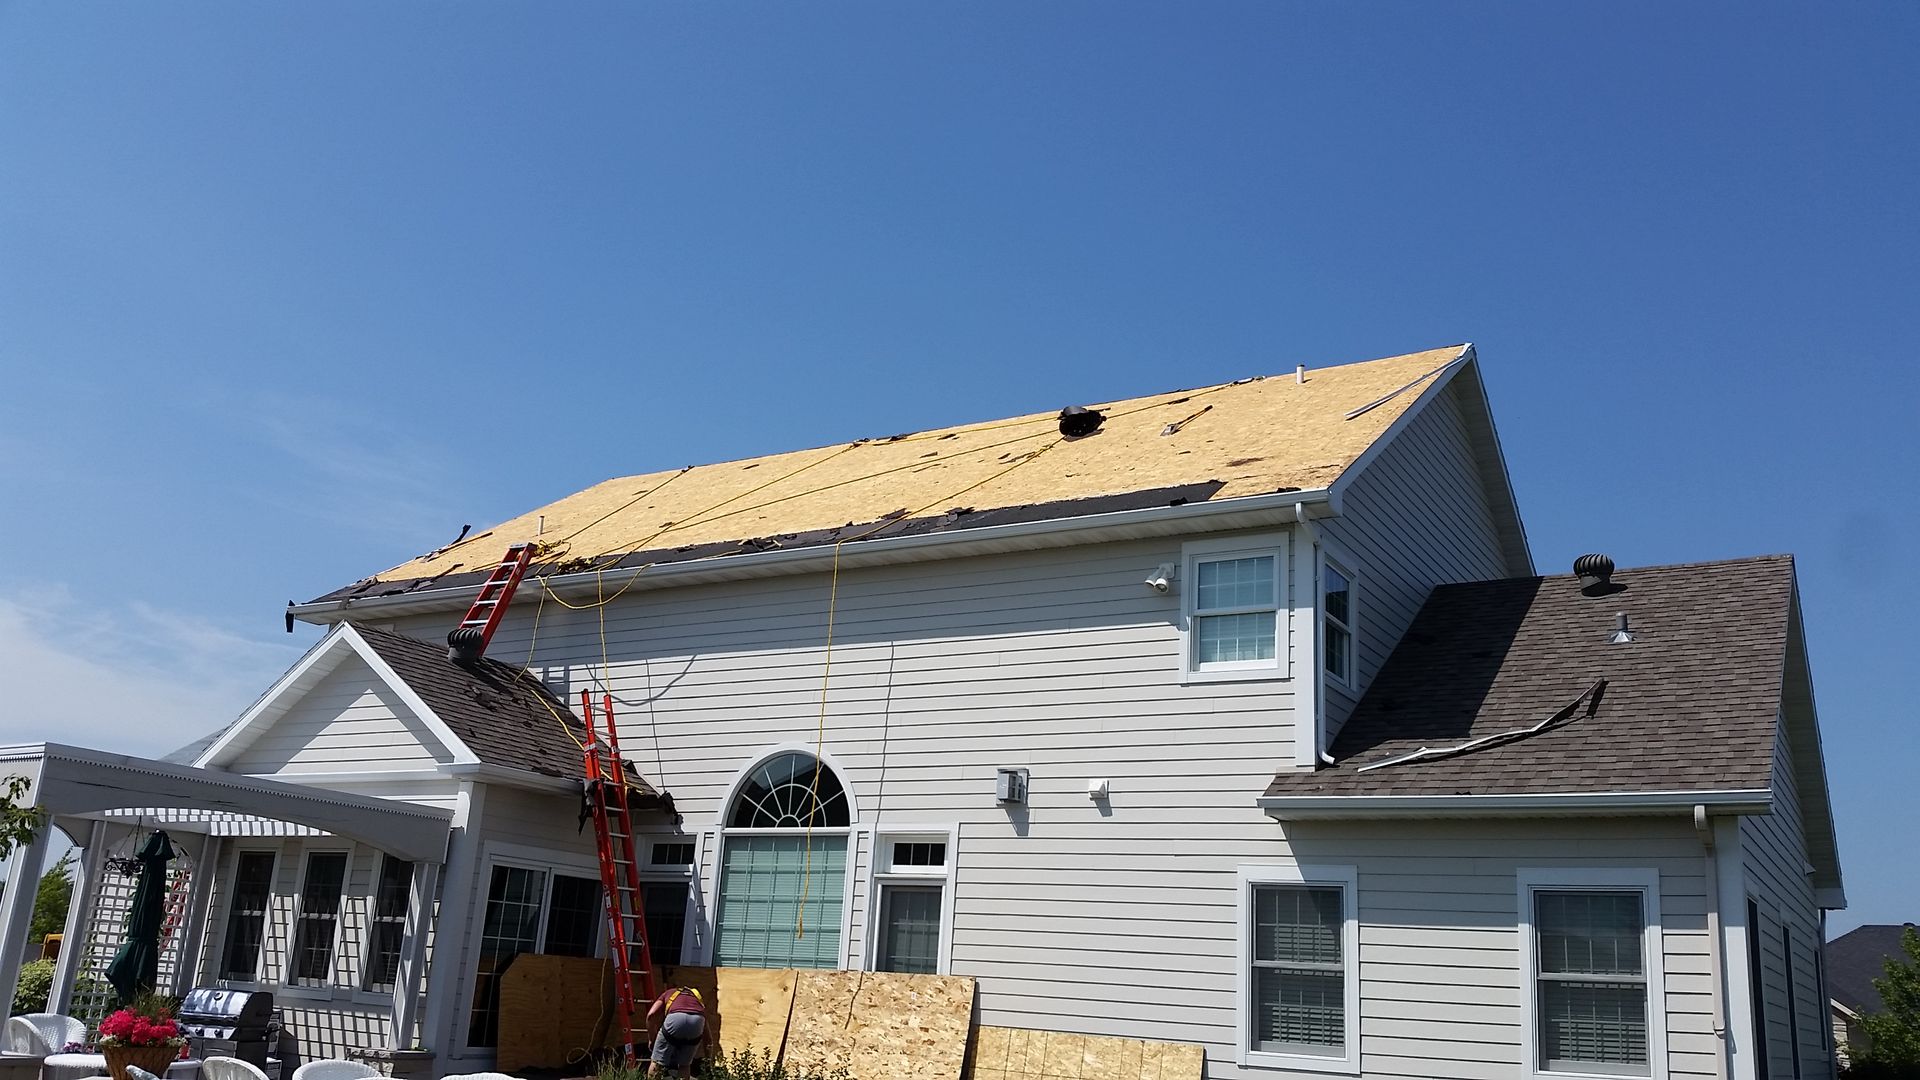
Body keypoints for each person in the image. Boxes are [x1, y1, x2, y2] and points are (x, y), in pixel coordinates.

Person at [645, 984, 712, 1078]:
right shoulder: (698, 1001)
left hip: (675, 1019)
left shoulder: (667, 994)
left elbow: (651, 1015)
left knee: (657, 1062)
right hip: (697, 1022)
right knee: (684, 1065)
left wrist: (652, 1039)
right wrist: (708, 1061)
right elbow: (708, 1039)